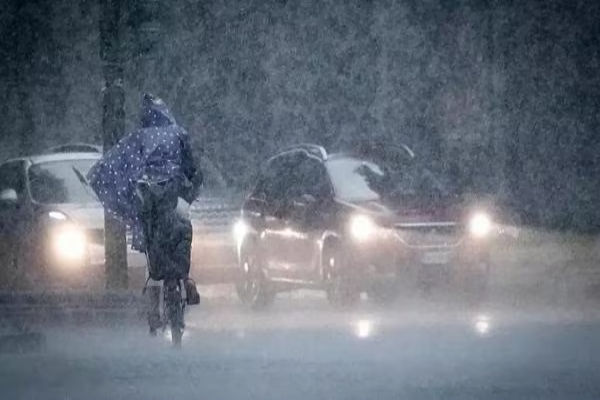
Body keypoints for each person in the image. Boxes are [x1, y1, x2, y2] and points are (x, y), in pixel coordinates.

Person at [87, 93, 202, 334]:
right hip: (175, 199)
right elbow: (192, 168)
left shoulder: (138, 138)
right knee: (181, 240)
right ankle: (186, 282)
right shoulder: (178, 134)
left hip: (150, 204)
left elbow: (120, 164)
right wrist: (189, 188)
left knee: (154, 255)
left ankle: (153, 307)